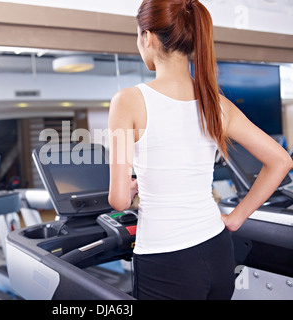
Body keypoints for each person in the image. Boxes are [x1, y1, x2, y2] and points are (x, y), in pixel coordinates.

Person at [108, 0, 293, 300]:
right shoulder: (216, 103)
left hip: (165, 260)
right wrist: (235, 218)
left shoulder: (126, 101)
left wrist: (131, 189)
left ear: (148, 37)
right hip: (217, 250)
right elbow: (281, 161)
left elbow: (117, 200)